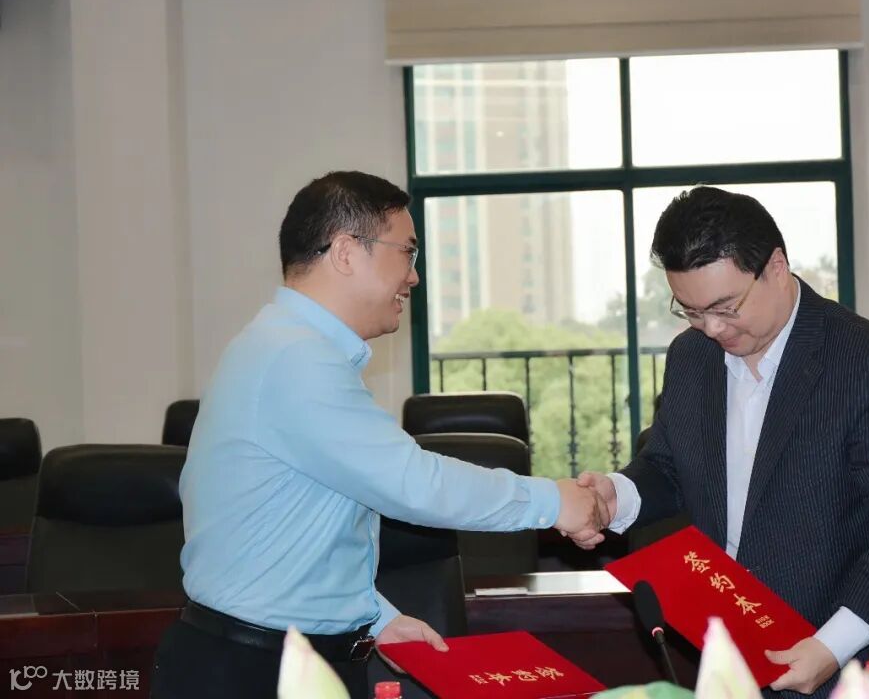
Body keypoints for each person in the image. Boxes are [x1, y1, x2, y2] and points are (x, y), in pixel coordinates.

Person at [151, 171, 607, 699]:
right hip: (250, 672)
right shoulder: (295, 358)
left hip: (279, 660)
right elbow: (414, 483)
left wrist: (375, 617)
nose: (414, 276)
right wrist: (555, 502)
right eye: (406, 252)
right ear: (346, 251)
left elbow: (309, 527)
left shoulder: (283, 346)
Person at [575, 186, 869, 697]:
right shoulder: (691, 359)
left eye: (725, 307)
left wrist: (832, 644)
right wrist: (617, 495)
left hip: (855, 660)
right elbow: (669, 465)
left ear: (775, 267)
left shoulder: (867, 363)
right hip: (740, 654)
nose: (711, 328)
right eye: (691, 311)